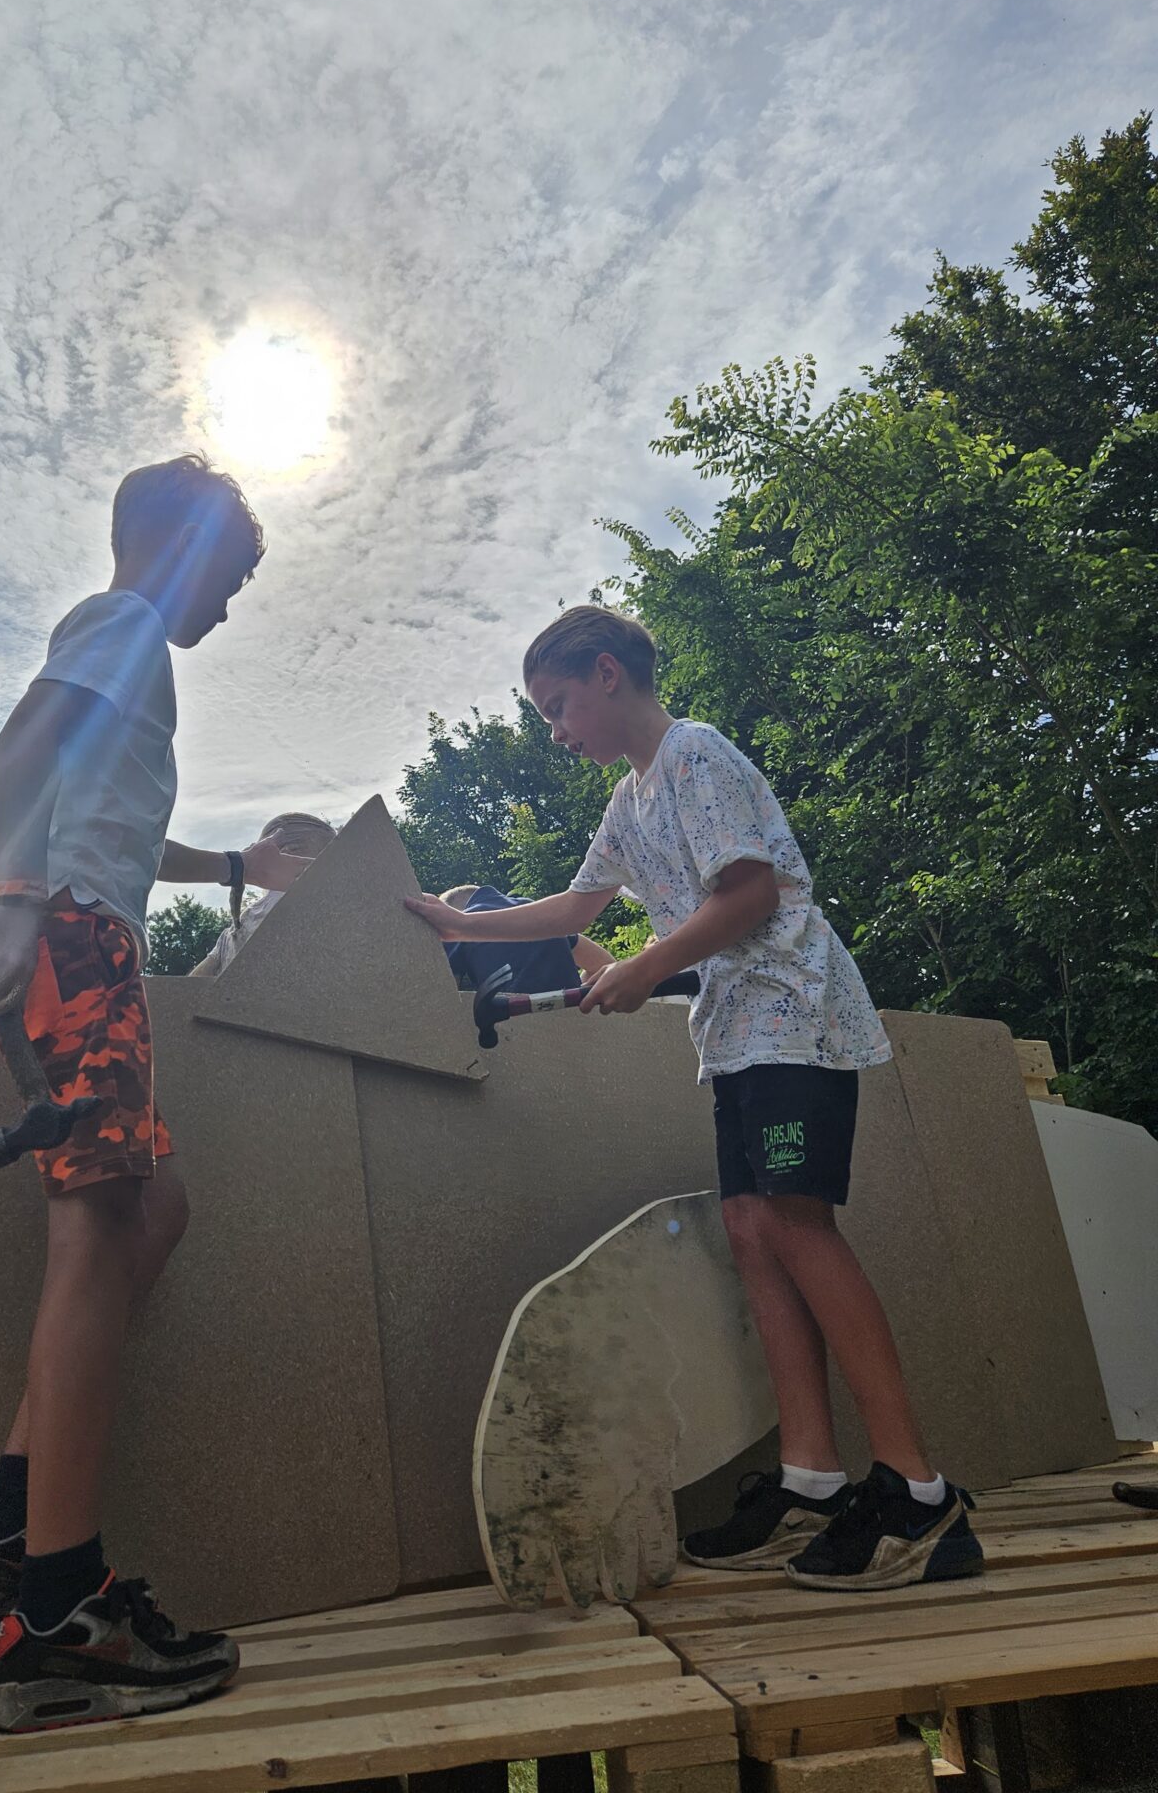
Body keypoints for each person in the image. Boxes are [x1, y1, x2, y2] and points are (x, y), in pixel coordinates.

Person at [407, 606, 982, 1593]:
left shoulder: (695, 754)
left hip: (791, 1017)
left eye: (557, 708)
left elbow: (750, 894)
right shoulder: (628, 801)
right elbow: (577, 906)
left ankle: (920, 1496)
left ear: (606, 673)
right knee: (752, 1230)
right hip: (735, 1037)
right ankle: (811, 1480)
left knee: (798, 1225)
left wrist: (643, 967)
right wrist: (455, 924)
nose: (557, 732)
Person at [0, 454, 309, 1733]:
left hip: (84, 927)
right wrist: (16, 894)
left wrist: (236, 866)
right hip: (75, 936)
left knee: (155, 1210)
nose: (230, 602)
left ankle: (5, 1525)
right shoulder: (126, 624)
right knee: (97, 1235)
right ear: (183, 546)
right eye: (233, 575)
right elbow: (31, 742)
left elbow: (115, 814)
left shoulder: (128, 647)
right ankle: (57, 1613)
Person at [190, 811, 336, 976]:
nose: (333, 867)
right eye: (328, 856)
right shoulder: (328, 904)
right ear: (288, 851)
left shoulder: (236, 930)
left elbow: (192, 984)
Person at [437, 882, 615, 988]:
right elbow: (606, 966)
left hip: (511, 1026)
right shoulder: (539, 913)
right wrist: (575, 994)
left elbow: (444, 1000)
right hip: (576, 1020)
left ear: (452, 911)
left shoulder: (457, 929)